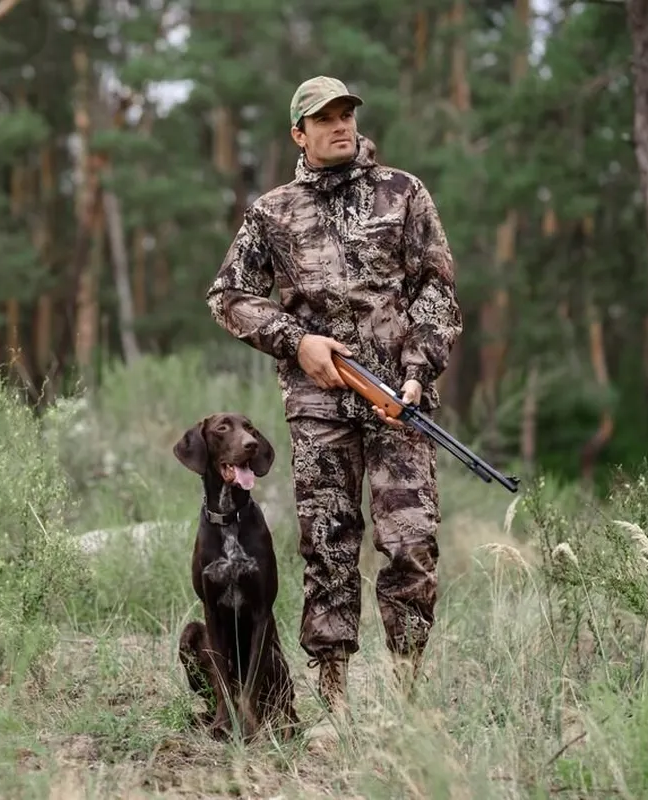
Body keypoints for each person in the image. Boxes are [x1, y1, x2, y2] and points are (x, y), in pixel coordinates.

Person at [205, 76, 463, 716]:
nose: (340, 125)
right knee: (328, 542)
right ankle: (334, 695)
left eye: (347, 113)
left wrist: (417, 370)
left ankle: (407, 691)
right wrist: (298, 343)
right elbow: (228, 297)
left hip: (398, 404)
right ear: (300, 134)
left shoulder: (404, 194)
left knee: (411, 542)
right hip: (318, 410)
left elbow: (436, 290)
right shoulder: (273, 212)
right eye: (324, 118)